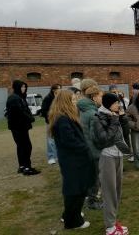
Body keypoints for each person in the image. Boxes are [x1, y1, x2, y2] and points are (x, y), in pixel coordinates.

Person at [49, 90, 95, 229]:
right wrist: (85, 148)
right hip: (73, 160)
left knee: (78, 189)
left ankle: (70, 215)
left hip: (75, 159)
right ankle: (72, 221)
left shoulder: (65, 117)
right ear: (66, 102)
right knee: (74, 190)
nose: (75, 102)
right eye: (73, 100)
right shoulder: (62, 119)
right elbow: (70, 141)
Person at [92, 93, 130, 235]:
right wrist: (115, 122)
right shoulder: (99, 117)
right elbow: (104, 139)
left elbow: (125, 134)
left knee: (117, 191)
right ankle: (110, 227)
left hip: (118, 155)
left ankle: (113, 221)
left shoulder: (114, 115)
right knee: (109, 192)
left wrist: (123, 119)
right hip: (107, 157)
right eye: (115, 103)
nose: (118, 105)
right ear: (108, 104)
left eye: (118, 102)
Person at [76, 85, 104, 210]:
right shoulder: (93, 113)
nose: (101, 98)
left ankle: (90, 197)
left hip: (87, 149)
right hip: (94, 151)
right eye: (100, 96)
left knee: (91, 176)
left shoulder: (84, 110)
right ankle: (92, 201)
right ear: (94, 97)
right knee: (95, 177)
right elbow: (96, 136)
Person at [5, 80, 40, 175]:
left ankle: (22, 166)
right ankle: (27, 167)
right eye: (22, 87)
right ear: (17, 87)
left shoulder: (19, 97)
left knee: (21, 146)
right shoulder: (14, 98)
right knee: (26, 146)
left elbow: (24, 109)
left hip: (20, 126)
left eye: (25, 87)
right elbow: (19, 112)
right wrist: (31, 118)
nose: (24, 89)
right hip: (18, 127)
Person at [40, 83, 62, 165]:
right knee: (50, 140)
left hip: (59, 121)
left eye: (60, 88)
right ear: (53, 90)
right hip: (50, 121)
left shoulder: (60, 98)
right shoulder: (48, 98)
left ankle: (58, 156)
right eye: (58, 88)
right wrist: (50, 117)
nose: (60, 90)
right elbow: (44, 110)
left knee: (59, 138)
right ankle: (51, 157)